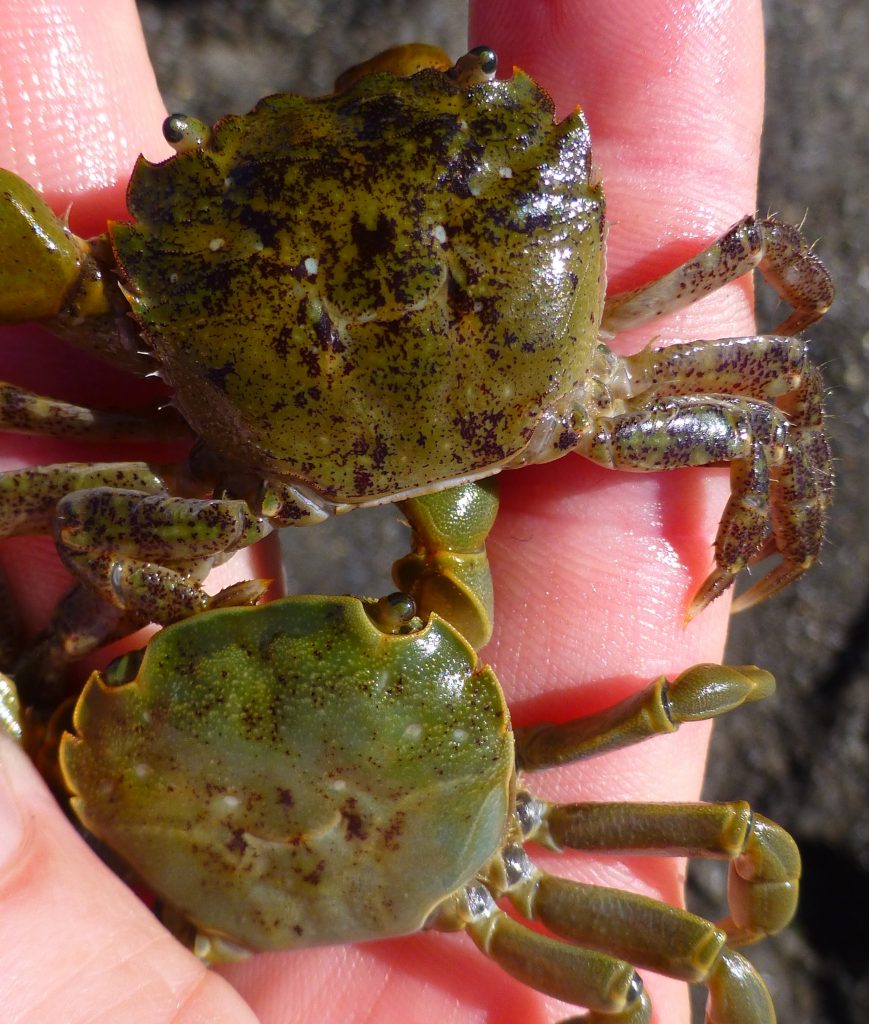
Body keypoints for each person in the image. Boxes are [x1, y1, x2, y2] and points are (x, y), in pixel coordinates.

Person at [0, 0, 767, 1020]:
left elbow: (83, 521)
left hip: (219, 504)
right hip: (553, 429)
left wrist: (119, 623)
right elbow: (775, 395)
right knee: (764, 409)